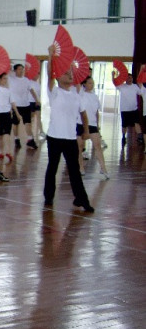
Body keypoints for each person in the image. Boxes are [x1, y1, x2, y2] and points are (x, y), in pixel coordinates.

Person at [44, 46, 93, 213]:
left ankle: (82, 199)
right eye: (66, 73)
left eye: (71, 73)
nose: (70, 75)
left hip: (71, 138)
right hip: (54, 137)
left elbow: (84, 114)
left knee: (74, 170)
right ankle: (48, 196)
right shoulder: (54, 91)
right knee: (52, 167)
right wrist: (50, 56)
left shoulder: (76, 95)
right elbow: (49, 74)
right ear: (59, 77)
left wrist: (86, 131)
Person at [77, 76, 109, 179]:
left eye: (93, 83)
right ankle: (81, 167)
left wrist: (97, 125)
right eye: (90, 83)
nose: (92, 85)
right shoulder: (80, 93)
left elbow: (96, 112)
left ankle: (103, 168)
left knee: (98, 146)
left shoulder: (95, 96)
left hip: (93, 124)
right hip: (80, 123)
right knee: (79, 147)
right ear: (84, 84)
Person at [0, 73, 21, 164]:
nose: (6, 80)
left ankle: (8, 151)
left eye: (6, 78)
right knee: (0, 135)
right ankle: (1, 152)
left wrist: (17, 113)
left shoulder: (8, 91)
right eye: (4, 78)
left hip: (7, 114)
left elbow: (13, 103)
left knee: (7, 133)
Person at [9, 64, 39, 149]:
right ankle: (16, 139)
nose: (21, 71)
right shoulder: (11, 79)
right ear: (15, 70)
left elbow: (31, 90)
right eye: (19, 69)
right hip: (16, 105)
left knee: (28, 123)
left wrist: (36, 99)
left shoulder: (26, 80)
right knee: (15, 123)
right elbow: (7, 73)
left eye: (22, 69)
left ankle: (30, 140)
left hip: (26, 104)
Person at [114, 73, 142, 146]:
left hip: (134, 109)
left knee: (137, 122)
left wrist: (140, 86)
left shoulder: (135, 86)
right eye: (128, 78)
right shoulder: (122, 86)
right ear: (125, 79)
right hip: (125, 110)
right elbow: (115, 83)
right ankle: (123, 137)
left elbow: (141, 93)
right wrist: (113, 76)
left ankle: (140, 137)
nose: (130, 79)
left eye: (131, 78)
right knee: (124, 125)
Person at [28, 73, 45, 139]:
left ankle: (41, 131)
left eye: (38, 74)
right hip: (31, 102)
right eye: (36, 74)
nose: (37, 76)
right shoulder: (29, 82)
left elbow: (39, 94)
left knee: (39, 117)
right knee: (31, 118)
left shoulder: (38, 84)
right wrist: (36, 100)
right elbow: (32, 92)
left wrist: (38, 101)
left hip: (37, 102)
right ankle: (30, 132)